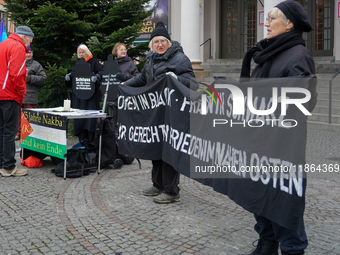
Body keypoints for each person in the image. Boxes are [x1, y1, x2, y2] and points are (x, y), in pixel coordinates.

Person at [240, 1, 317, 255]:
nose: (266, 22)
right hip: (259, 143)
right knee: (261, 198)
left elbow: (303, 102)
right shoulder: (268, 54)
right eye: (268, 18)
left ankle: (292, 249)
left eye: (272, 18)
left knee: (285, 204)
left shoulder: (298, 55)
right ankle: (267, 245)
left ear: (290, 24)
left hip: (282, 148)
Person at [124, 21, 195, 204]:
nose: (160, 45)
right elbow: (142, 78)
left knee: (169, 151)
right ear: (151, 44)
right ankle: (158, 184)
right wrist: (124, 86)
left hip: (173, 114)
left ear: (169, 43)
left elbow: (191, 81)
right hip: (155, 113)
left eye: (163, 41)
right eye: (156, 42)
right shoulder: (150, 58)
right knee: (155, 147)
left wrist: (176, 78)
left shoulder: (180, 59)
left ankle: (172, 191)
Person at [0, 26, 35, 177]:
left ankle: (2, 164)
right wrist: (22, 93)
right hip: (10, 95)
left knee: (1, 130)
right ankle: (8, 167)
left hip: (1, 92)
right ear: (25, 36)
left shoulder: (2, 44)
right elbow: (17, 74)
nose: (29, 44)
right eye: (30, 40)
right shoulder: (18, 47)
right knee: (9, 131)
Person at [65, 44, 103, 143]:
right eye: (80, 53)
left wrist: (97, 77)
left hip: (91, 96)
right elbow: (73, 77)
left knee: (90, 120)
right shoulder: (78, 63)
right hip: (79, 96)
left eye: (83, 52)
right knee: (80, 119)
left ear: (87, 52)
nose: (81, 54)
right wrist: (69, 77)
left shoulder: (94, 62)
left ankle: (91, 141)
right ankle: (81, 140)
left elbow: (101, 73)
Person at [16, 46, 47, 140]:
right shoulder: (17, 63)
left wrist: (30, 78)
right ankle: (18, 133)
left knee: (30, 116)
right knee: (17, 116)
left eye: (29, 53)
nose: (28, 54)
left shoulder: (36, 65)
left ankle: (30, 135)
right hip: (18, 94)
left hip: (31, 94)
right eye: (26, 52)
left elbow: (43, 78)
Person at [109, 42, 139, 117]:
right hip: (112, 98)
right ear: (116, 52)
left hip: (125, 97)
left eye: (125, 49)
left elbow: (137, 77)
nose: (124, 51)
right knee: (112, 122)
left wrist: (126, 77)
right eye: (121, 50)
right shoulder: (112, 64)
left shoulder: (130, 63)